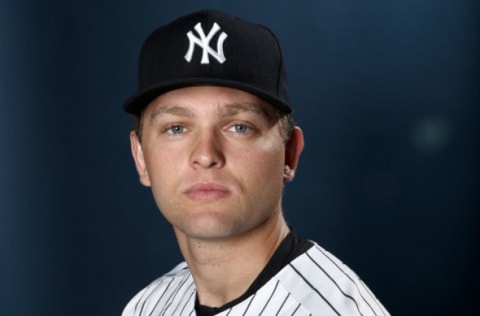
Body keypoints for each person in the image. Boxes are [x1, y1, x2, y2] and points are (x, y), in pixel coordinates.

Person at [122, 9, 389, 316]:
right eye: (177, 128)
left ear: (289, 154)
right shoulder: (148, 306)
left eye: (239, 127)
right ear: (141, 157)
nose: (206, 155)